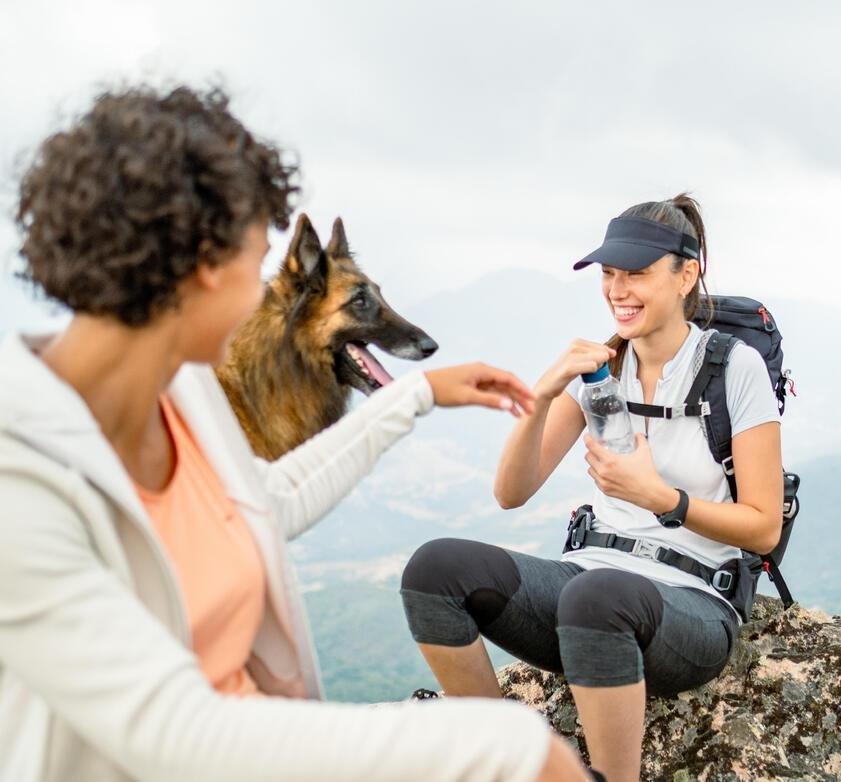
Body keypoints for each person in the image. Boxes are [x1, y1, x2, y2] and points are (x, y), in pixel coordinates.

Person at [0, 84, 588, 782]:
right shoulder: (20, 475)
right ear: (205, 264)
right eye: (258, 264)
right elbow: (171, 734)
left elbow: (265, 503)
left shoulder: (182, 392)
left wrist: (421, 394)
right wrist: (502, 745)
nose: (263, 294)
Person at [400, 195, 784, 782]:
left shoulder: (734, 369)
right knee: (434, 571)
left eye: (637, 273)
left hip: (694, 601)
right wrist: (545, 396)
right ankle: (501, 756)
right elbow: (511, 492)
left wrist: (663, 500)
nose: (618, 289)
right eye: (609, 273)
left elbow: (763, 525)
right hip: (590, 583)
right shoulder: (601, 368)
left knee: (598, 596)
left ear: (687, 274)